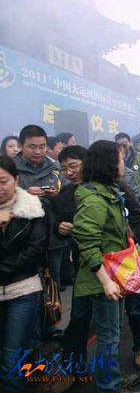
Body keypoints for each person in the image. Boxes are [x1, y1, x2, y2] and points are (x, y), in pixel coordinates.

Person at [52, 145, 140, 393]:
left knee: (113, 332)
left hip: (113, 273)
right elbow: (87, 241)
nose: (123, 163)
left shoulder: (108, 191)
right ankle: (110, 386)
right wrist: (105, 281)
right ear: (109, 163)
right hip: (103, 278)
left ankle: (111, 379)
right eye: (120, 159)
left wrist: (139, 253)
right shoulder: (94, 199)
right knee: (108, 336)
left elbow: (123, 230)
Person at [0, 156, 49, 393]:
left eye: (3, 181)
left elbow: (36, 251)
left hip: (22, 291)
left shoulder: (32, 208)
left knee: (11, 356)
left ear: (16, 179)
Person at [14, 125, 66, 340]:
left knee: (53, 281)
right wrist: (24, 194)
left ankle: (50, 326)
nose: (38, 151)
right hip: (22, 238)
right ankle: (31, 333)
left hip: (52, 235)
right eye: (32, 147)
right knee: (30, 287)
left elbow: (67, 196)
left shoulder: (55, 168)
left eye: (42, 146)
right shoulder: (10, 168)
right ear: (21, 146)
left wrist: (56, 195)